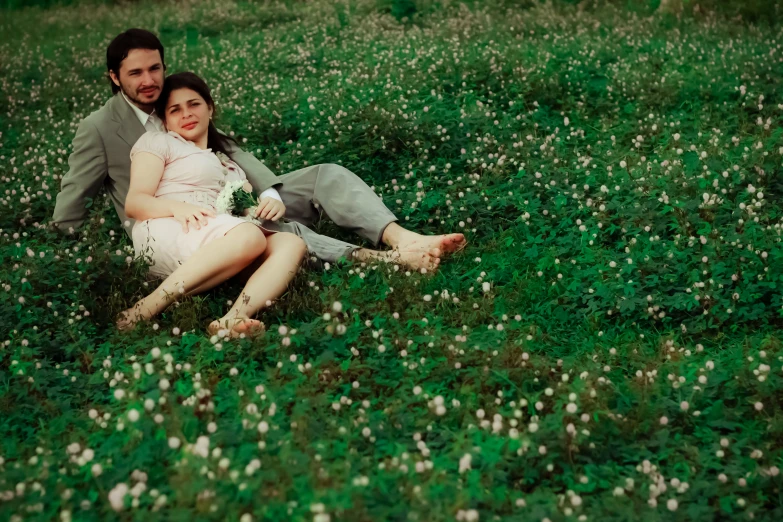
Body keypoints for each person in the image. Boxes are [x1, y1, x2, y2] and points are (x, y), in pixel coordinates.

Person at [50, 28, 467, 275]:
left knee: (326, 174)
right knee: (278, 232)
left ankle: (403, 238)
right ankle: (381, 261)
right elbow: (71, 207)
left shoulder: (175, 99)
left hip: (233, 193)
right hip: (185, 228)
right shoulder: (100, 128)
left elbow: (224, 148)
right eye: (135, 73)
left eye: (154, 68)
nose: (148, 80)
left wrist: (267, 192)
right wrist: (71, 257)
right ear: (114, 77)